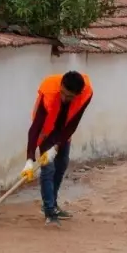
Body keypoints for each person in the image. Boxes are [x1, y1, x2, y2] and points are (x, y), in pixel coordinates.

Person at [20, 71, 93, 226]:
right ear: (60, 86)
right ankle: (49, 213)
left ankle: (52, 203)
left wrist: (57, 146)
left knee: (62, 164)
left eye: (69, 96)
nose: (64, 98)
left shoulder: (86, 94)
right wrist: (29, 159)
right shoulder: (49, 91)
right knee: (48, 168)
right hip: (46, 131)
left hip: (64, 131)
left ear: (78, 94)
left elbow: (73, 124)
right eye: (63, 93)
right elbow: (35, 128)